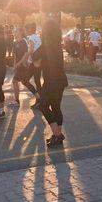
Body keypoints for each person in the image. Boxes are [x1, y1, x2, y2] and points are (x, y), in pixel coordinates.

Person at [38, 19, 69, 148]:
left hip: (51, 81)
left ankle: (57, 135)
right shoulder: (57, 44)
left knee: (43, 106)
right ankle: (57, 134)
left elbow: (34, 57)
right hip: (61, 80)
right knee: (56, 107)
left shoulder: (45, 45)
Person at [11, 27, 41, 108]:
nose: (14, 32)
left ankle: (17, 101)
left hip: (23, 65)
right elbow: (15, 56)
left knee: (15, 81)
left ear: (20, 32)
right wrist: (14, 65)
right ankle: (38, 97)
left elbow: (25, 54)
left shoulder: (24, 41)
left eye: (16, 31)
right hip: (19, 65)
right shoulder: (15, 43)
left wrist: (20, 63)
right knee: (25, 82)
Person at [25, 23, 43, 92]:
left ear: (29, 30)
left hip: (34, 62)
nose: (25, 32)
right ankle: (40, 98)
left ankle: (39, 98)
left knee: (25, 80)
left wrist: (26, 59)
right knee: (37, 81)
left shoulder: (31, 37)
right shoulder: (37, 37)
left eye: (26, 30)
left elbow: (31, 50)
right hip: (38, 61)